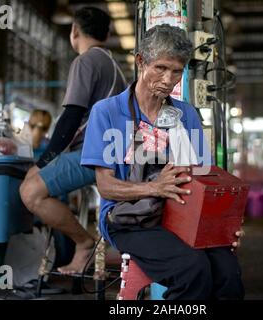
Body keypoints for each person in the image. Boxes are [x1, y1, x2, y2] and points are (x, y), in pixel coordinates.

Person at [81, 24, 245, 300]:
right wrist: (155, 188)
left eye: (177, 71)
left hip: (179, 215)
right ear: (141, 62)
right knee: (192, 270)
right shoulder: (107, 112)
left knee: (228, 273)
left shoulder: (186, 115)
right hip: (129, 218)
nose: (169, 79)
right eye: (161, 68)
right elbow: (106, 187)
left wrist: (222, 226)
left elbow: (202, 178)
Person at [19, 7, 126, 275]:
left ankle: (83, 242)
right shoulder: (114, 67)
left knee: (29, 192)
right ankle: (79, 246)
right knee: (39, 188)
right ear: (108, 33)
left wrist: (43, 161)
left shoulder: (86, 61)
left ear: (74, 31)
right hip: (111, 155)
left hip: (93, 155)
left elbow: (71, 116)